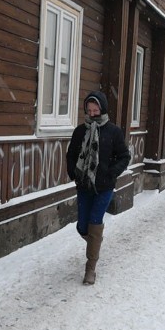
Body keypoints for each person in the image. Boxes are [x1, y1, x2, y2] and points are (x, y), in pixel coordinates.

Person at [66, 91, 131, 285]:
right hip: (84, 185)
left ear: (102, 109)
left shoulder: (113, 131)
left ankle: (90, 268)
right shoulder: (80, 131)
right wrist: (74, 174)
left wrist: (111, 173)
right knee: (82, 226)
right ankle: (95, 241)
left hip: (104, 186)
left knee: (95, 221)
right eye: (89, 110)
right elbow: (71, 155)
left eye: (96, 110)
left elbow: (124, 156)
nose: (93, 113)